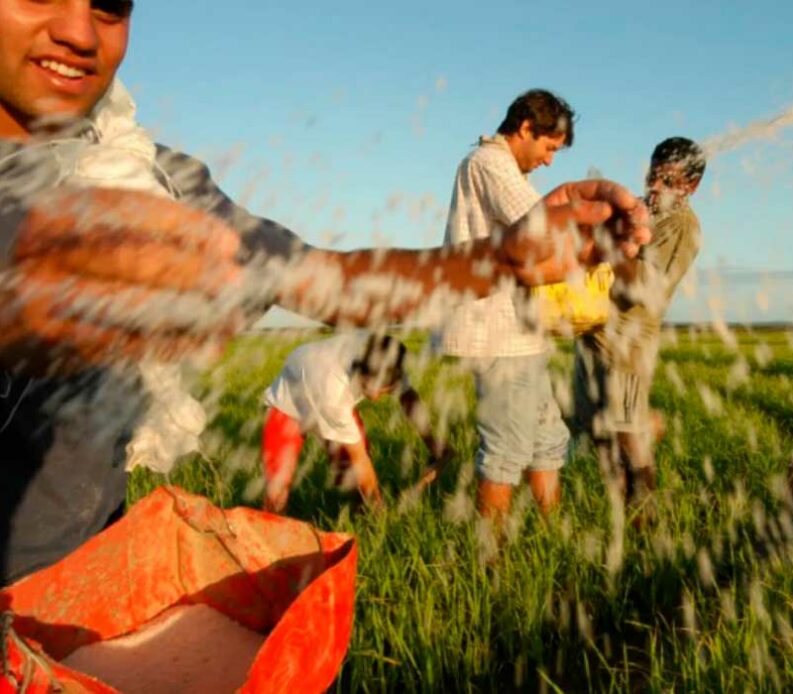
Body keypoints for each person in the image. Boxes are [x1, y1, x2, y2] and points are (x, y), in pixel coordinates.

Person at [0, 2, 649, 585]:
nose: (79, 31)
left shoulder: (149, 175)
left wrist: (498, 259)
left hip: (83, 584)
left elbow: (327, 280)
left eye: (110, 6)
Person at [437, 89, 576, 520]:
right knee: (505, 449)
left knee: (547, 436)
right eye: (549, 148)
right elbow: (540, 226)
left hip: (519, 332)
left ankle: (550, 532)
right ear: (526, 129)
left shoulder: (505, 169)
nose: (550, 160)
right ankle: (490, 561)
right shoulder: (489, 164)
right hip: (495, 331)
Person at [574, 137, 706, 514]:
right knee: (594, 429)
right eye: (653, 175)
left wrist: (609, 242)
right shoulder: (642, 207)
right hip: (594, 332)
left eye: (668, 180)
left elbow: (640, 290)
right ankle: (620, 511)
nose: (655, 186)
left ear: (691, 187)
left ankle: (644, 519)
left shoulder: (681, 225)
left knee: (627, 437)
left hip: (627, 344)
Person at [261, 333, 453, 514]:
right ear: (360, 372)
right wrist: (381, 514)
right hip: (289, 406)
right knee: (277, 486)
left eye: (385, 391)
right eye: (370, 389)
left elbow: (409, 399)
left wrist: (434, 444)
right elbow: (360, 460)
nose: (376, 398)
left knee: (350, 474)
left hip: (323, 387)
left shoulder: (386, 359)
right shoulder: (333, 391)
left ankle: (361, 515)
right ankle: (270, 532)